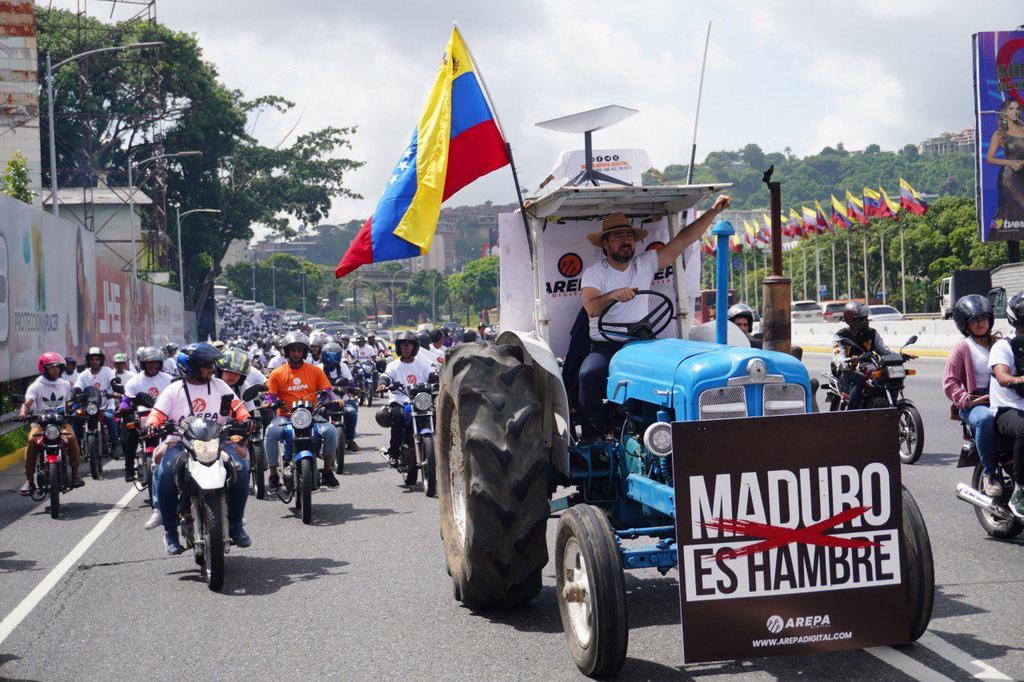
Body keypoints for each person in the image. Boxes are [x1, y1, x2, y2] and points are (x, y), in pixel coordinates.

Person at [578, 198, 730, 439]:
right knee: (588, 374)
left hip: (640, 344)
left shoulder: (646, 263)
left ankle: (676, 432)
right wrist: (614, 295)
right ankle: (593, 436)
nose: (625, 241)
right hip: (607, 346)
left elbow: (683, 240)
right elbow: (592, 307)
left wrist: (713, 211)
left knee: (678, 371)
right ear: (605, 244)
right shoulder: (595, 274)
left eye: (628, 236)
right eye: (618, 236)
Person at [144, 343, 252, 554]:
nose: (211, 369)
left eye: (211, 365)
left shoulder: (220, 385)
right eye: (205, 365)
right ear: (190, 366)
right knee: (165, 474)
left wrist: (246, 419)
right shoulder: (174, 389)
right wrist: (151, 426)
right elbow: (157, 414)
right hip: (180, 442)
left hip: (218, 440)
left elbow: (238, 407)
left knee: (240, 466)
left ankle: (236, 524)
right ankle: (171, 533)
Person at [263, 331, 340, 492]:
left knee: (332, 431)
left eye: (299, 350)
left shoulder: (315, 371)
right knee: (271, 432)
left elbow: (327, 390)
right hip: (285, 416)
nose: (296, 354)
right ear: (287, 351)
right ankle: (273, 474)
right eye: (292, 350)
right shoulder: (277, 373)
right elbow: (269, 396)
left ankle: (327, 470)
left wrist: (334, 398)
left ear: (305, 352)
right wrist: (269, 403)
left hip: (311, 415)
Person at [944, 295, 1000, 495]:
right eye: (975, 320)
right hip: (975, 404)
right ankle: (989, 473)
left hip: (1001, 399)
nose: (980, 323)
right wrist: (968, 399)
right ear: (964, 324)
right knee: (984, 419)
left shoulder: (999, 344)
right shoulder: (962, 348)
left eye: (983, 318)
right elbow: (949, 383)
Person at [18, 353, 84, 495]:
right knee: (32, 441)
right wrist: (23, 413)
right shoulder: (35, 386)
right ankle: (29, 480)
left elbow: (68, 404)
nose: (56, 370)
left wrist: (74, 411)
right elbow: (28, 403)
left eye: (58, 367)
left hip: (61, 423)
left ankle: (75, 476)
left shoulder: (65, 385)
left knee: (72, 439)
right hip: (40, 424)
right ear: (43, 369)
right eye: (52, 368)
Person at [987, 293, 1024, 517]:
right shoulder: (1003, 346)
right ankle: (1021, 489)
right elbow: (1002, 376)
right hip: (1006, 409)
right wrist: (1018, 380)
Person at [376, 331, 437, 466]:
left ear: (414, 348)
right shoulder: (394, 365)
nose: (406, 349)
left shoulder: (421, 364)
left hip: (420, 401)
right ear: (399, 348)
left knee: (436, 414)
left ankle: (439, 449)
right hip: (399, 400)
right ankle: (394, 453)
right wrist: (382, 384)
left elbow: (432, 374)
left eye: (409, 346)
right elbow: (385, 376)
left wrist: (438, 378)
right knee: (397, 417)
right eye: (403, 346)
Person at [121, 347, 173, 487]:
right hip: (142, 419)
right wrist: (124, 408)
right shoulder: (134, 381)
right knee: (130, 436)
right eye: (149, 363)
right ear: (143, 364)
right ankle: (129, 469)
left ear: (160, 364)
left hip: (164, 419)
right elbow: (126, 399)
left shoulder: (169, 380)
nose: (152, 366)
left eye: (155, 363)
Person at [830, 302, 891, 410]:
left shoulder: (872, 333)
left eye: (866, 318)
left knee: (886, 375)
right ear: (851, 320)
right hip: (846, 371)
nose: (866, 321)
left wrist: (898, 356)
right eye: (862, 319)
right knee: (858, 377)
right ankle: (853, 413)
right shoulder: (840, 336)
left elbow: (884, 350)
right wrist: (845, 362)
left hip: (868, 366)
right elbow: (838, 355)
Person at [985, 98, 1024, 232]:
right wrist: (1010, 163)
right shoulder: (999, 133)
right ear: (1005, 112)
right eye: (1011, 108)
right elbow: (989, 158)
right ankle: (1012, 251)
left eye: (1017, 108)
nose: (1015, 111)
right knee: (1010, 214)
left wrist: (1022, 163)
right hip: (1008, 179)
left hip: (1023, 175)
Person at [74, 347, 121, 455]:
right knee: (76, 417)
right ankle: (76, 447)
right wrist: (76, 391)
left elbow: (113, 381)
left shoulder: (108, 371)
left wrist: (114, 387)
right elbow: (78, 385)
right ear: (88, 361)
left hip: (106, 405)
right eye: (92, 359)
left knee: (110, 418)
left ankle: (115, 446)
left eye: (97, 359)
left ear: (101, 360)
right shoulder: (84, 374)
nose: (94, 362)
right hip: (89, 406)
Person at [321, 341, 359, 451]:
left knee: (352, 412)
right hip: (323, 402)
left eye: (334, 356)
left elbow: (351, 382)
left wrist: (354, 389)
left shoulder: (343, 367)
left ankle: (350, 440)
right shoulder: (318, 368)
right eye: (328, 356)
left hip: (343, 400)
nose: (331, 359)